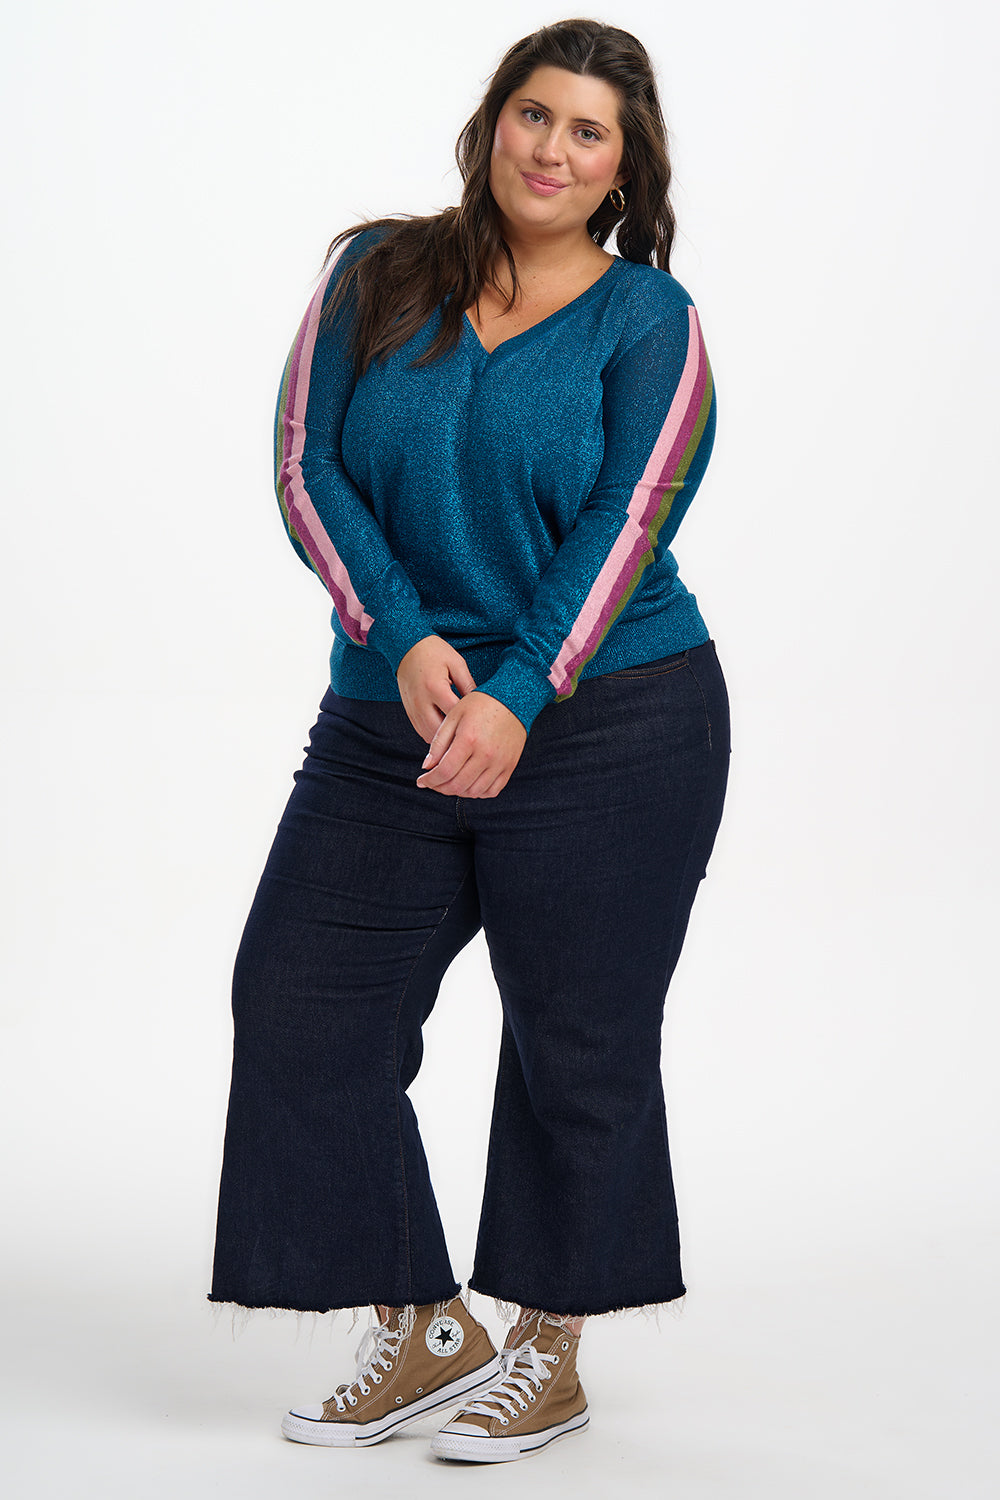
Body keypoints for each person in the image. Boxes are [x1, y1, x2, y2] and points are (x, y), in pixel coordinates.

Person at [208, 16, 731, 1465]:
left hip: (615, 720)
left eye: (589, 132)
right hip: (391, 718)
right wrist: (401, 636)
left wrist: (515, 693)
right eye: (533, 114)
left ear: (628, 167)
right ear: (490, 120)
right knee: (302, 998)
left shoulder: (650, 323)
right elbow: (303, 462)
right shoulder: (377, 269)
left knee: (579, 1037)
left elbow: (635, 518)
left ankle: (547, 1350)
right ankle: (426, 1323)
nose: (551, 149)